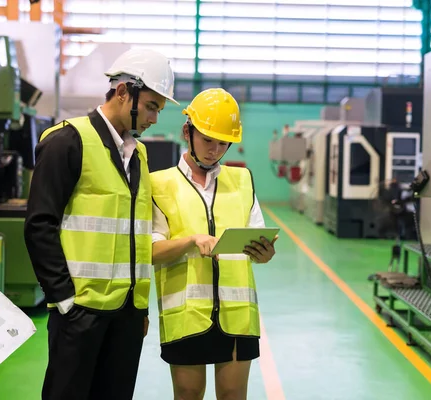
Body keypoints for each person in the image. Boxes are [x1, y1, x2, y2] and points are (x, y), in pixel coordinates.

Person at [23, 48, 179, 400]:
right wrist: (63, 298)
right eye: (152, 106)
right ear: (124, 92)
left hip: (126, 313)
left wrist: (138, 306)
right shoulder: (67, 141)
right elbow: (39, 225)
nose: (155, 118)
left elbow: (135, 230)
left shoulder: (138, 153)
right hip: (81, 309)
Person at [150, 88, 278, 400]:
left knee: (234, 395)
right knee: (188, 394)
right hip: (186, 316)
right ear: (187, 131)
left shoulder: (242, 181)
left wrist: (264, 253)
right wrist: (191, 242)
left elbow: (260, 244)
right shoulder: (159, 184)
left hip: (237, 316)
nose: (215, 150)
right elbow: (150, 251)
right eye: (208, 140)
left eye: (223, 143)